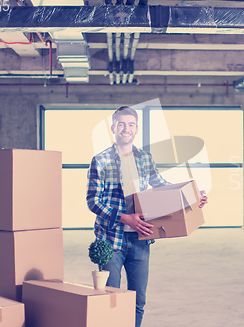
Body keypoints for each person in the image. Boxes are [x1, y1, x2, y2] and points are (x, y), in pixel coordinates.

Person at [86, 106, 208, 327]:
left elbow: (162, 187)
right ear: (113, 127)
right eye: (121, 124)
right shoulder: (101, 160)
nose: (126, 129)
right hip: (110, 239)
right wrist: (125, 218)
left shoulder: (144, 158)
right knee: (110, 299)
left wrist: (192, 197)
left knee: (138, 301)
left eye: (131, 124)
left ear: (136, 129)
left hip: (140, 239)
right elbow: (93, 201)